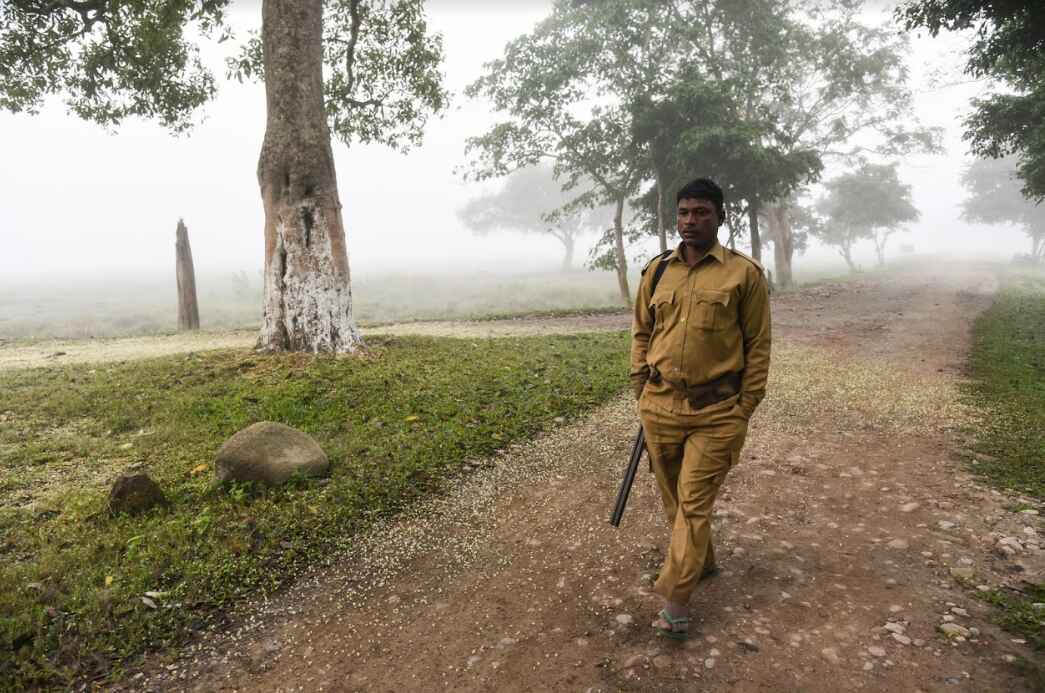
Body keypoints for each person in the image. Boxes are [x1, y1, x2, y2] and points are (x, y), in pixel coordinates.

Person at [630, 177, 771, 639]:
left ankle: (676, 600)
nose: (691, 221)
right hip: (660, 406)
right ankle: (702, 561)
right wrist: (641, 390)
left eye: (702, 213)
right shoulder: (656, 272)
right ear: (676, 217)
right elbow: (641, 333)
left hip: (717, 412)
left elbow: (758, 345)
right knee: (674, 504)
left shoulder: (743, 275)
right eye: (685, 212)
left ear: (720, 216)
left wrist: (745, 406)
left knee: (693, 504)